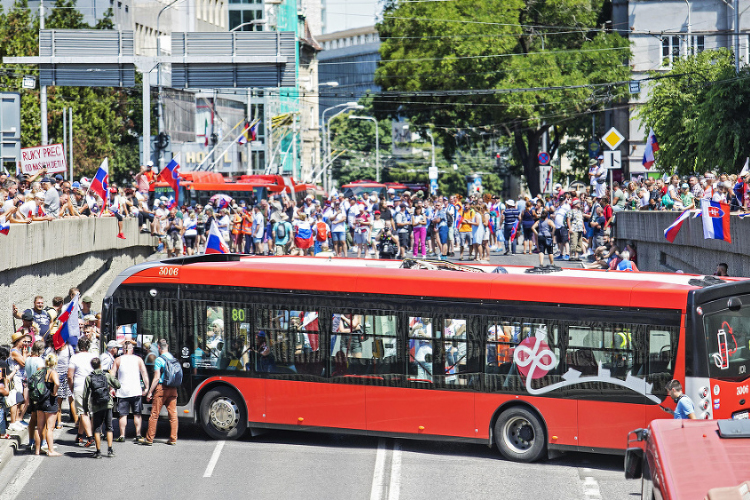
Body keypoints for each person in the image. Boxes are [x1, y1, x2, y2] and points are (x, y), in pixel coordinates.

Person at [82, 357, 121, 458]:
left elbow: (85, 395)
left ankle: (98, 451)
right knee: (109, 427)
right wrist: (112, 376)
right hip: (107, 404)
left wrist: (85, 408)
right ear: (100, 365)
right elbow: (118, 385)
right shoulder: (106, 375)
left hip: (96, 405)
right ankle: (110, 450)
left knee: (97, 428)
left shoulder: (89, 378)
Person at [143, 339, 179, 445]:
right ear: (167, 346)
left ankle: (149, 439)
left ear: (159, 348)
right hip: (173, 388)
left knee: (154, 414)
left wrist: (150, 392)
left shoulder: (159, 360)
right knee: (173, 415)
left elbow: (156, 378)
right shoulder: (173, 358)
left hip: (162, 389)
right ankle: (173, 439)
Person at [113, 340, 149, 442]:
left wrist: (112, 389)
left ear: (123, 350)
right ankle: (138, 435)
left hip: (122, 391)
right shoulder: (138, 359)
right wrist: (146, 388)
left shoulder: (118, 360)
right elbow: (144, 374)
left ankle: (122, 435)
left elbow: (112, 375)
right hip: (135, 391)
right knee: (137, 414)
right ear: (132, 349)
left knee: (122, 414)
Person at [68, 337, 96, 447]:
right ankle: (80, 435)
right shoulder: (94, 357)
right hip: (92, 387)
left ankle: (90, 438)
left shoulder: (74, 358)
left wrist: (71, 387)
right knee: (88, 413)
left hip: (79, 387)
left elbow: (70, 376)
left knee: (83, 413)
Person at [32, 354, 61, 456]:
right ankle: (51, 450)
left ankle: (37, 450)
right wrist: (54, 392)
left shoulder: (41, 371)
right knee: (50, 428)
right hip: (50, 401)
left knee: (39, 427)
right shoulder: (53, 372)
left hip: (41, 401)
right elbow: (57, 383)